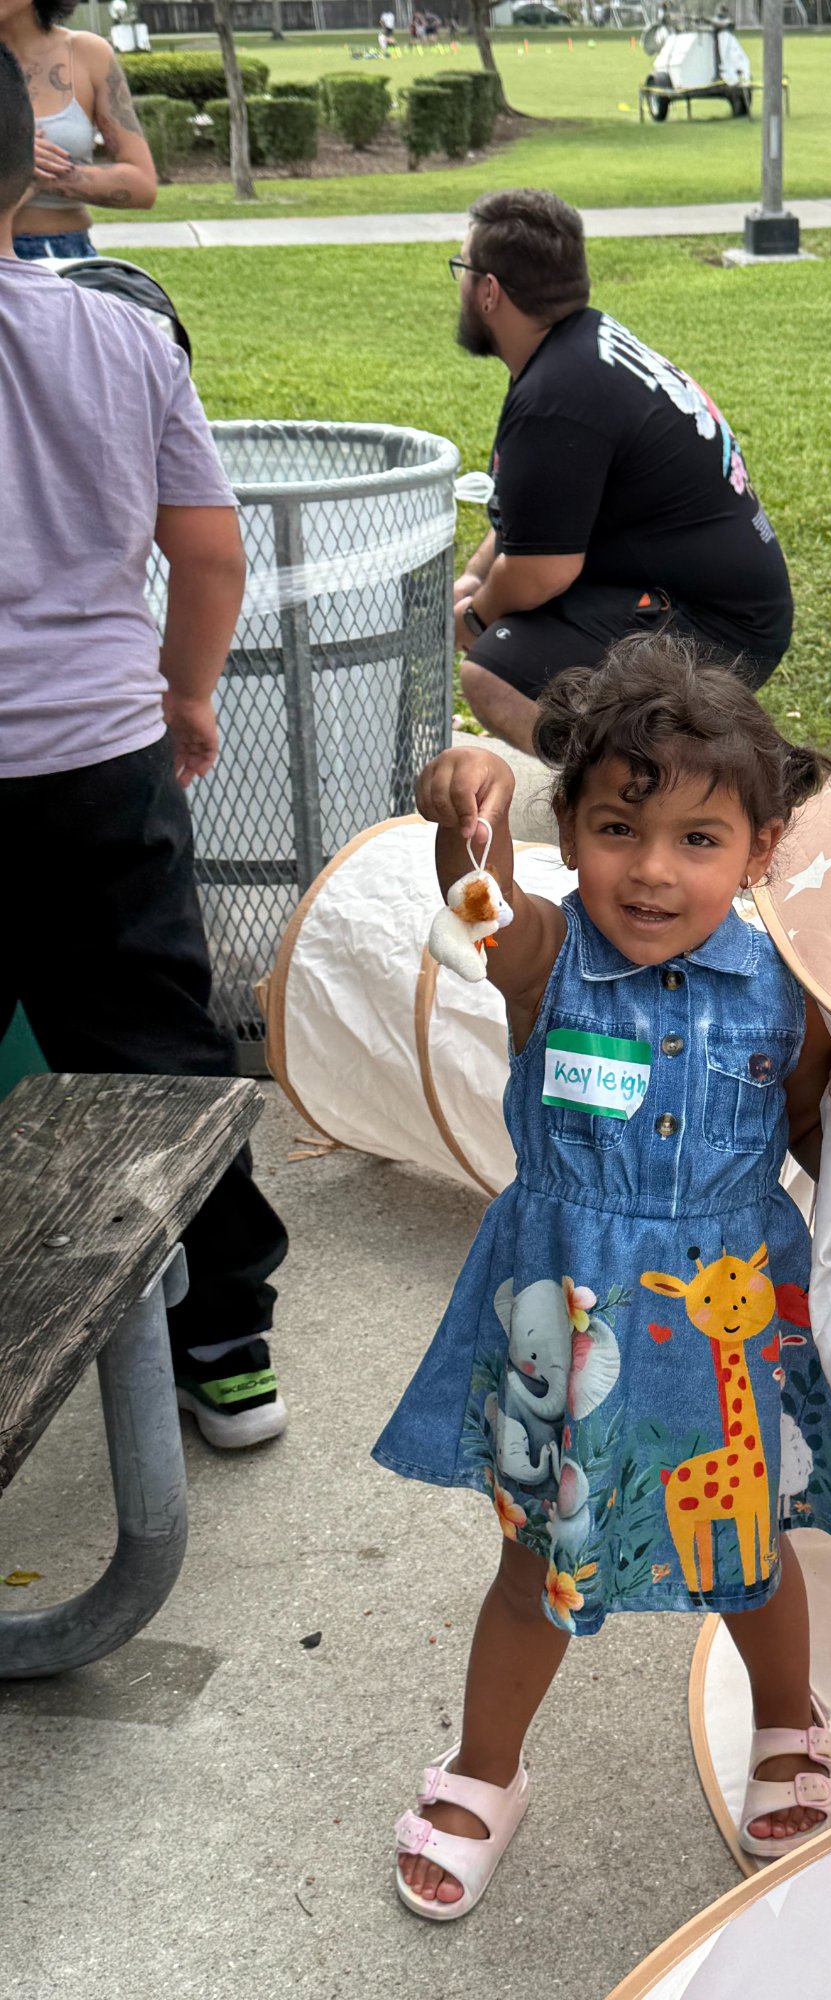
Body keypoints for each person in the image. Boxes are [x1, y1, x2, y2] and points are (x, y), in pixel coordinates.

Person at [376, 636, 831, 1918]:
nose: (653, 869)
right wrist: (464, 821)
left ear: (763, 847)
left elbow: (821, 1141)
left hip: (729, 1323)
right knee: (537, 1559)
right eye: (618, 827)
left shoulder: (792, 994)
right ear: (571, 833)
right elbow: (476, 905)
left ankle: (788, 1717)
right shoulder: (546, 955)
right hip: (569, 1310)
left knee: (753, 1540)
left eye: (699, 838)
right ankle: (483, 1771)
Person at [0, 46, 290, 1448]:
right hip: (101, 762)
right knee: (163, 1050)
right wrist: (186, 694)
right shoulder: (124, 336)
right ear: (26, 175)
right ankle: (227, 1341)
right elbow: (210, 556)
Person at [450, 188, 795, 754]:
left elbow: (542, 571)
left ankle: (638, 793)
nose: (460, 284)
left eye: (462, 268)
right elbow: (535, 511)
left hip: (717, 627)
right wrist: (475, 578)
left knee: (493, 673)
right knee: (506, 631)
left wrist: (479, 617)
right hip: (707, 595)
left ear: (489, 291)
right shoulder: (580, 347)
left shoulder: (556, 396)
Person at [0, 0, 155, 261]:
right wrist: (14, 164)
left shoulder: (87, 54)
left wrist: (44, 174)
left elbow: (142, 185)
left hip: (65, 255)